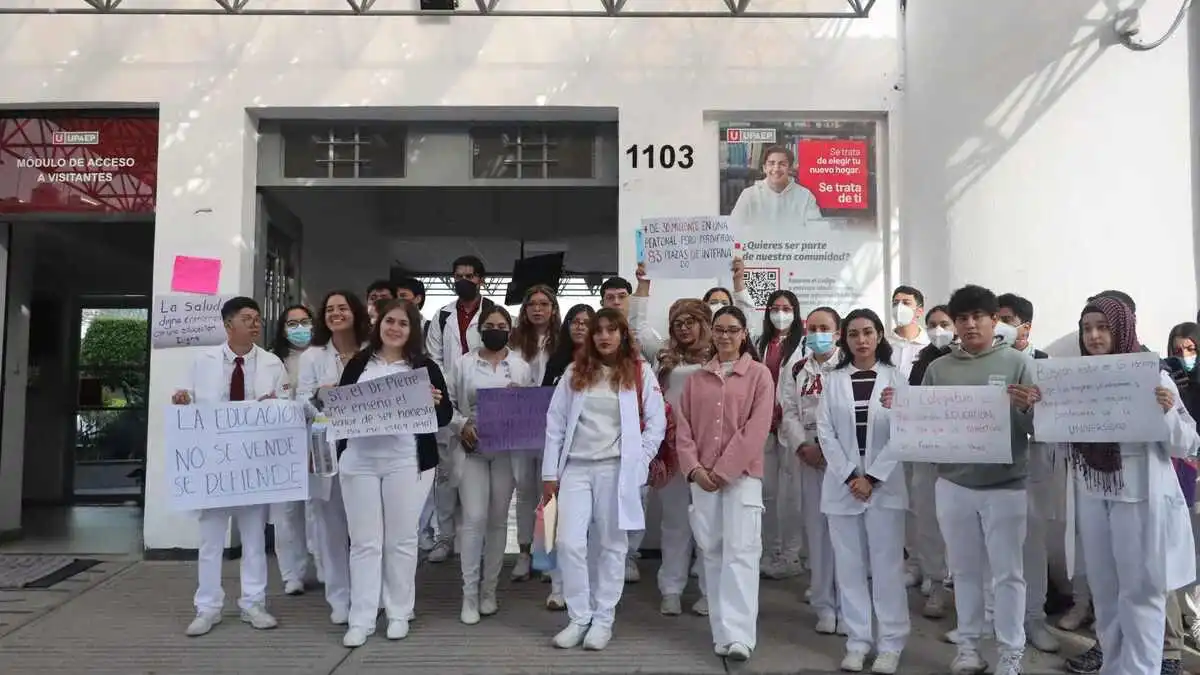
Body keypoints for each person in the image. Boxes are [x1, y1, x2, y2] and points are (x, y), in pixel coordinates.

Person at [896, 284, 1037, 675]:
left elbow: (1038, 427)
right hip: (954, 485)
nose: (970, 324)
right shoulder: (939, 368)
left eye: (979, 316)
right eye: (963, 318)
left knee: (1008, 574)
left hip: (1006, 485)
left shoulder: (1017, 363)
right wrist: (903, 410)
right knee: (964, 571)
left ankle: (1010, 653)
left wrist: (1027, 409)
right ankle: (969, 647)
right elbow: (922, 425)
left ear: (995, 321)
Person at [1057, 296, 1199, 675]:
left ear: (1122, 329)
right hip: (1093, 493)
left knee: (1141, 594)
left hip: (1141, 499)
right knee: (1106, 595)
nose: (1094, 336)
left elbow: (1189, 442)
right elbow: (1060, 438)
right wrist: (1042, 407)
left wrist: (1168, 411)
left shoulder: (1152, 373)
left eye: (1103, 327)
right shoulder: (1074, 379)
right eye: (1087, 329)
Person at [541, 308, 666, 651]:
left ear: (623, 334)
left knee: (612, 546)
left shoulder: (640, 372)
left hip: (616, 469)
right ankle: (579, 616)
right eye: (598, 330)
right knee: (569, 543)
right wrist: (550, 474)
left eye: (612, 330)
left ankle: (603, 619)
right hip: (577, 469)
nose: (604, 336)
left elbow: (657, 423)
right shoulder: (574, 372)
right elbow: (555, 425)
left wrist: (639, 463)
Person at [336, 299, 453, 647]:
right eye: (390, 321)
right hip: (359, 461)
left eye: (403, 323)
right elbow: (340, 410)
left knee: (401, 540)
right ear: (379, 324)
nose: (395, 328)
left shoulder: (425, 367)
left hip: (407, 461)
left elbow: (444, 415)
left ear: (412, 330)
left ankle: (399, 611)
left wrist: (436, 403)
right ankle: (362, 617)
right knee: (364, 542)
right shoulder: (359, 362)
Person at [173, 297, 285, 637]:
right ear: (227, 325)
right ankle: (207, 607)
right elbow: (186, 398)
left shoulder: (271, 362)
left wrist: (276, 404)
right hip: (214, 464)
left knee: (253, 537)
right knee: (210, 540)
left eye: (257, 319)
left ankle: (253, 603)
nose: (255, 324)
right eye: (247, 318)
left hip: (253, 463)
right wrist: (182, 399)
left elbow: (287, 404)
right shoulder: (202, 361)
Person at [675, 305, 774, 663]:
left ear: (744, 334)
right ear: (711, 333)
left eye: (733, 330)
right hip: (702, 479)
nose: (726, 336)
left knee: (742, 555)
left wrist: (724, 470)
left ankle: (740, 636)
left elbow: (757, 429)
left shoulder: (759, 375)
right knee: (713, 554)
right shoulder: (696, 378)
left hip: (742, 479)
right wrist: (695, 469)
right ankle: (722, 632)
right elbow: (682, 429)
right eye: (719, 329)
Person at [816, 308, 909, 674]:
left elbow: (903, 432)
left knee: (887, 568)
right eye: (853, 334)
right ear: (845, 338)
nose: (861, 340)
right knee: (849, 568)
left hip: (883, 489)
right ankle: (857, 641)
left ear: (880, 335)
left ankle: (891, 644)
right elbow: (826, 432)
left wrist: (871, 477)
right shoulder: (833, 380)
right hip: (843, 489)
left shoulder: (896, 379)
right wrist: (850, 476)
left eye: (868, 332)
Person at [447, 306, 534, 624]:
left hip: (506, 452)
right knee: (473, 518)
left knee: (497, 521)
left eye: (501, 325)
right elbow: (450, 404)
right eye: (489, 325)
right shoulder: (464, 363)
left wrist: (520, 398)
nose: (495, 329)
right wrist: (461, 426)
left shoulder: (521, 366)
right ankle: (468, 595)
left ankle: (489, 592)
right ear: (480, 330)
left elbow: (530, 409)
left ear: (509, 330)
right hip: (472, 450)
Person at [635, 296, 714, 617]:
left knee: (709, 526)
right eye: (678, 324)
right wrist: (643, 287)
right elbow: (637, 329)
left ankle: (710, 593)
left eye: (690, 322)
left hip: (708, 450)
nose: (684, 329)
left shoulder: (721, 356)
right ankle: (671, 589)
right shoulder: (664, 357)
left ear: (704, 324)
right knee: (675, 524)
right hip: (671, 448)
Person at [296, 290, 369, 627]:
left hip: (368, 447)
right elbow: (301, 402)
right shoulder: (312, 356)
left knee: (367, 527)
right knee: (332, 526)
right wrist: (321, 399)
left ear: (355, 312)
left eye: (342, 308)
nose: (336, 313)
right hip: (326, 446)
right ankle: (339, 598)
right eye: (329, 309)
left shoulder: (373, 351)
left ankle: (369, 594)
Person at [996, 292, 1061, 654]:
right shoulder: (986, 360)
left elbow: (1054, 420)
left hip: (1033, 463)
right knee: (995, 545)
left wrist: (1033, 407)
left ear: (1025, 326)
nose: (998, 325)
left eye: (1005, 318)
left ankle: (1034, 618)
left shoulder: (1046, 363)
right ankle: (997, 621)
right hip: (992, 464)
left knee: (1032, 545)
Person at [426, 255, 496, 564]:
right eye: (458, 275)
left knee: (480, 477)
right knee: (445, 475)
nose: (463, 280)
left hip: (484, 401)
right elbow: (434, 359)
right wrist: (448, 398)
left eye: (470, 275)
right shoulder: (441, 316)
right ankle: (445, 537)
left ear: (482, 279)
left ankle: (476, 538)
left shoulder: (494, 314)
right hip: (447, 400)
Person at [779, 306, 844, 635]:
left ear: (837, 333)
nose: (818, 333)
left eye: (825, 328)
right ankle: (824, 605)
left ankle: (847, 605)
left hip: (844, 462)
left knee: (845, 537)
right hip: (808, 457)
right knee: (816, 533)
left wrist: (830, 450)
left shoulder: (848, 367)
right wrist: (802, 445)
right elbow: (788, 410)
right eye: (813, 327)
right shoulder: (797, 369)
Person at [538, 303, 595, 611]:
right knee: (557, 525)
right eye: (574, 321)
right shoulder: (558, 362)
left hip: (594, 457)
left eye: (587, 322)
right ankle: (558, 585)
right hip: (560, 455)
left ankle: (588, 588)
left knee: (590, 531)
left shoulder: (609, 364)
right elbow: (547, 409)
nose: (579, 326)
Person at [509, 285, 561, 581]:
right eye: (532, 304)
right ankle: (525, 552)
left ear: (553, 309)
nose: (538, 309)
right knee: (524, 489)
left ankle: (546, 552)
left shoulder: (562, 342)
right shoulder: (514, 342)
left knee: (549, 492)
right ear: (525, 310)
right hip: (521, 424)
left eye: (544, 304)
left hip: (552, 426)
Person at [754, 288, 806, 579]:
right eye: (775, 307)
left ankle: (791, 555)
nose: (780, 313)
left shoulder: (804, 345)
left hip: (791, 424)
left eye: (787, 308)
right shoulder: (762, 342)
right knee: (768, 493)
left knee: (793, 495)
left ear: (796, 312)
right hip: (765, 426)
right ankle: (771, 552)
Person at [268, 304, 319, 597]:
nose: (299, 328)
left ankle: (324, 565)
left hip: (318, 436)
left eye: (304, 322)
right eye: (292, 323)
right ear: (283, 329)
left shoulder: (324, 355)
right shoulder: (272, 360)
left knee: (319, 506)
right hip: (283, 441)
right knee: (286, 511)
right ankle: (292, 573)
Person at [729, 145, 823, 229]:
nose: (776, 169)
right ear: (764, 168)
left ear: (790, 169)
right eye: (771, 163)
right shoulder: (749, 194)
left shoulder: (805, 196)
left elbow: (816, 230)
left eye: (782, 164)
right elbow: (734, 229)